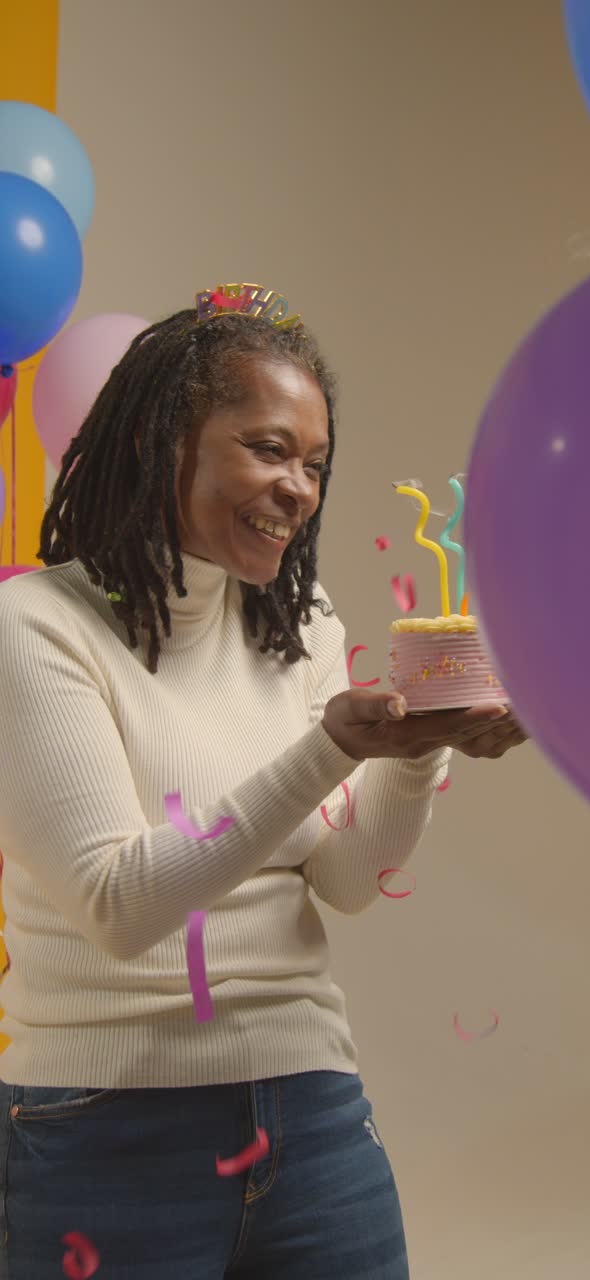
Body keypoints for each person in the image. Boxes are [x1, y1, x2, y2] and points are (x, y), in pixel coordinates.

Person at [0, 288, 527, 1279]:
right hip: (105, 1128)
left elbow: (345, 879)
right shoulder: (36, 628)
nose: (299, 487)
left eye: (316, 464)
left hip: (312, 1108)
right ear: (169, 445)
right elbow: (119, 903)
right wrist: (328, 749)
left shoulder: (301, 625)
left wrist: (419, 747)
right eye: (269, 448)